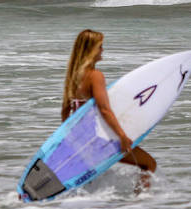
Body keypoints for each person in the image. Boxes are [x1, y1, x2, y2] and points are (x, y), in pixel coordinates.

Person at [63, 29, 156, 190]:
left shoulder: (74, 75)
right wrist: (122, 136)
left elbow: (66, 111)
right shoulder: (95, 76)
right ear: (91, 50)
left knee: (88, 181)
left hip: (82, 140)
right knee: (148, 164)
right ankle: (140, 205)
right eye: (100, 46)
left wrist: (71, 141)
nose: (102, 50)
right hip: (98, 140)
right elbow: (104, 109)